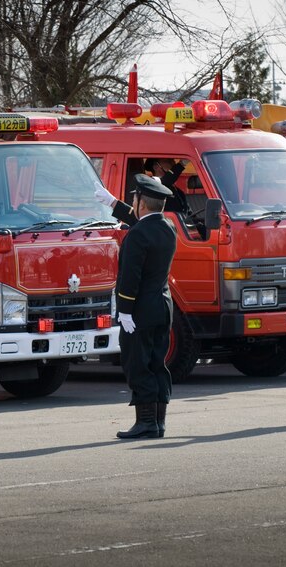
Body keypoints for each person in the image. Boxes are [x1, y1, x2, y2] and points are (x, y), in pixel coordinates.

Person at [112, 174, 178, 439]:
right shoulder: (168, 227)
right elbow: (144, 224)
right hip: (163, 305)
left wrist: (124, 310)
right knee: (157, 363)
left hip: (140, 310)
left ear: (140, 203)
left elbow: (130, 276)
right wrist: (114, 205)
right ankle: (158, 422)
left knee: (138, 364)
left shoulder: (137, 235)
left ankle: (146, 422)